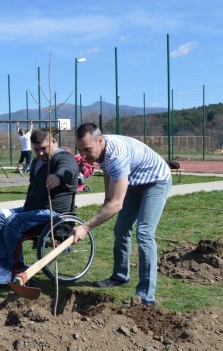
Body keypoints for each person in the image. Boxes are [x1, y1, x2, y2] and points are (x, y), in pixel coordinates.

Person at [73, 123, 172, 306]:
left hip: (156, 181)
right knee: (121, 228)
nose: (84, 155)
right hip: (134, 182)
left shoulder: (117, 154)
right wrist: (107, 198)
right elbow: (108, 174)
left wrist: (85, 227)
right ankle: (120, 276)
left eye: (87, 149)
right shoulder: (101, 151)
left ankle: (146, 297)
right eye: (80, 150)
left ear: (100, 141)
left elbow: (117, 204)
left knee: (144, 233)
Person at [0, 128, 78, 284]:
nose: (40, 153)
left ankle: (17, 269)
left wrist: (58, 176)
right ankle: (4, 265)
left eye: (44, 148)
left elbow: (69, 169)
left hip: (53, 214)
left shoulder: (63, 158)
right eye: (36, 149)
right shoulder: (37, 161)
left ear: (54, 142)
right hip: (32, 210)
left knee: (14, 222)